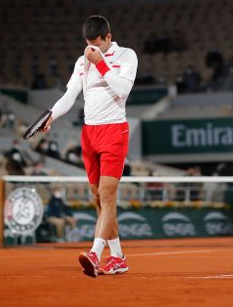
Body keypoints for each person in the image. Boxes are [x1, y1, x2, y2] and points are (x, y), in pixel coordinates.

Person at [43, 15, 137, 277]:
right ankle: (117, 257)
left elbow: (122, 91)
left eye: (98, 44)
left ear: (109, 36)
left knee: (107, 195)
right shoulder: (82, 61)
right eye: (89, 45)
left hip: (114, 130)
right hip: (89, 133)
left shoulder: (127, 56)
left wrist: (102, 64)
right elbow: (70, 95)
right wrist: (52, 115)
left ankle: (95, 253)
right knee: (99, 198)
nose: (93, 50)